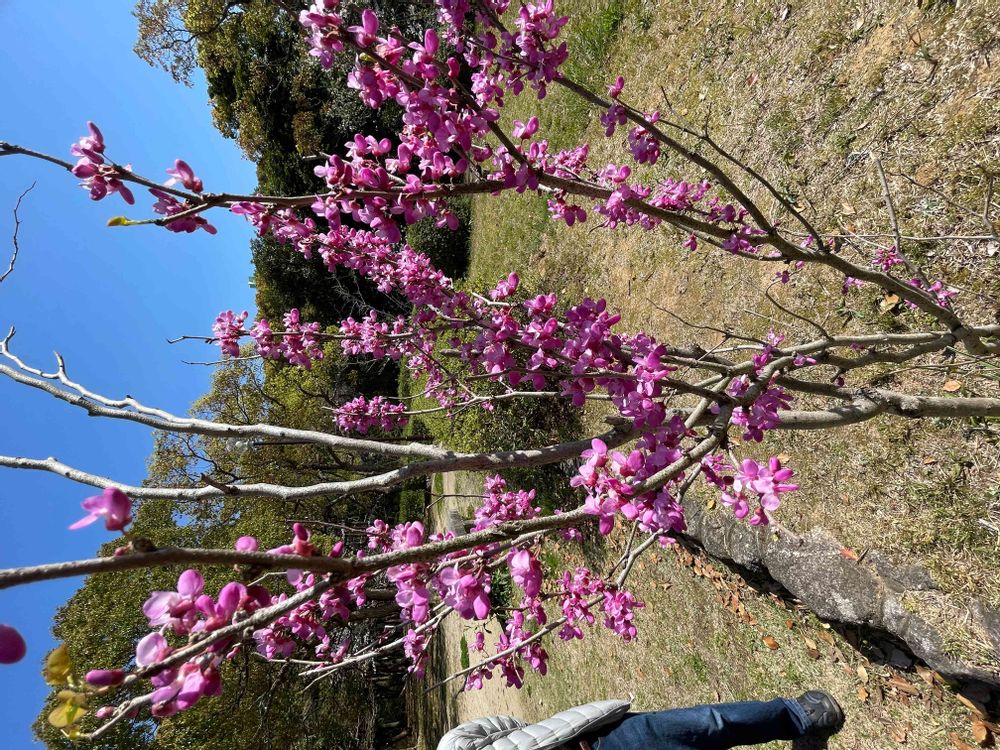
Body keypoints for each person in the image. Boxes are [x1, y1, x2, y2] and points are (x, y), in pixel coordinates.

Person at [437, 691, 844, 750]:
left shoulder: (453, 745)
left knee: (707, 724)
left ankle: (797, 715)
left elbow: (504, 723)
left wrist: (536, 737)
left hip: (600, 741)